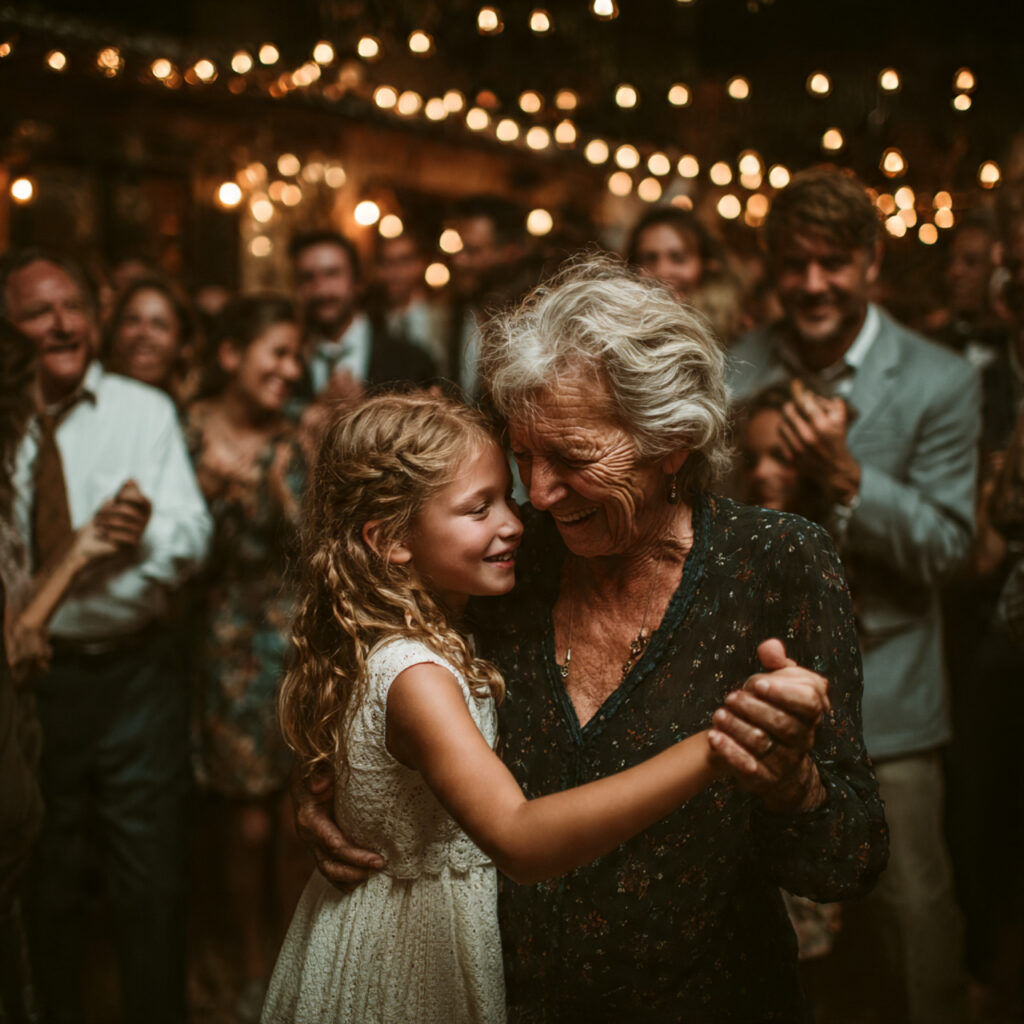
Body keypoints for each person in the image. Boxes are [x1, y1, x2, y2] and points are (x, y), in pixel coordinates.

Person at [293, 255, 887, 1023]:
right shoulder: (509, 564)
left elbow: (851, 857)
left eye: (571, 458)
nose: (536, 494)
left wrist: (789, 783)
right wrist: (331, 794)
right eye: (524, 456)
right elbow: (371, 650)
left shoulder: (775, 563)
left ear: (669, 442)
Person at [728, 167, 978, 1024]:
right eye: (793, 264)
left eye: (832, 262)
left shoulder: (941, 380)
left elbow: (949, 546)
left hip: (891, 702)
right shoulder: (735, 366)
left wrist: (845, 481)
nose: (811, 284)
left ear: (870, 263)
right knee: (770, 931)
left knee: (912, 928)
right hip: (753, 688)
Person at [1, 248, 212, 1024]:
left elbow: (194, 534)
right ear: (8, 329)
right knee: (46, 874)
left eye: (73, 307)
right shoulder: (3, 423)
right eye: (36, 311)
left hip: (133, 674)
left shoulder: (140, 409)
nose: (61, 324)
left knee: (148, 875)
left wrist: (141, 539)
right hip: (30, 682)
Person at [184, 294, 306, 1021]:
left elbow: (310, 546)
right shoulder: (186, 428)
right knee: (240, 821)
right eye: (278, 353)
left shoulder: (296, 444)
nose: (291, 369)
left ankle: (294, 969)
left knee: (293, 820)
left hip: (288, 646)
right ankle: (243, 960)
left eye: (297, 356)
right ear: (232, 355)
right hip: (216, 647)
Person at [289, 229, 437, 405]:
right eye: (307, 278)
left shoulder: (412, 360)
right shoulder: (289, 360)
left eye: (332, 274)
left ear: (357, 281)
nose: (321, 290)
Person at [626, 205, 745, 345]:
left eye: (678, 258)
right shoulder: (621, 331)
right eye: (650, 259)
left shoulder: (736, 330)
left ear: (707, 265)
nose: (662, 271)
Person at [103, 275, 200, 406]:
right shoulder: (91, 405)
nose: (143, 333)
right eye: (132, 320)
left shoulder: (194, 419)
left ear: (183, 343)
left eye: (159, 325)